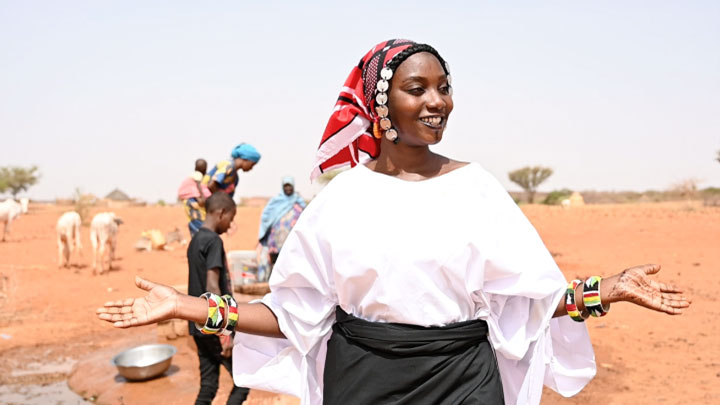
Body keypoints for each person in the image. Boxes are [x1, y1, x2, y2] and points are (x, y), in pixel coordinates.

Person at [97, 40, 691, 405]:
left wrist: (604, 290)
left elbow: (525, 301)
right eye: (417, 88)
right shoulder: (344, 198)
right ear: (381, 106)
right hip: (362, 381)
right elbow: (293, 313)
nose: (438, 101)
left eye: (444, 87)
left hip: (464, 381)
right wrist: (187, 305)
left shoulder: (475, 187)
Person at [185, 192, 248, 405]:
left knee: (209, 386)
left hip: (197, 325)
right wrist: (225, 333)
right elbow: (213, 287)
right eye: (231, 217)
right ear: (221, 213)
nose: (231, 224)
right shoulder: (213, 241)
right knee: (242, 382)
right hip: (213, 327)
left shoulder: (196, 240)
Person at [255, 176, 306, 281]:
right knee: (276, 264)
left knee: (290, 264)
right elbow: (266, 216)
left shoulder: (299, 202)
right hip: (275, 242)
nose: (288, 188)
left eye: (290, 186)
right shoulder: (275, 202)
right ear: (282, 187)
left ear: (293, 187)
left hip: (292, 242)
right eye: (285, 186)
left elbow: (306, 217)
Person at [178, 159, 211, 237]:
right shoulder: (198, 175)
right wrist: (202, 197)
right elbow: (199, 186)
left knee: (194, 221)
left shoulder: (192, 175)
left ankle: (196, 238)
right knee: (197, 220)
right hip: (191, 199)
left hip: (188, 200)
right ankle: (199, 239)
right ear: (204, 169)